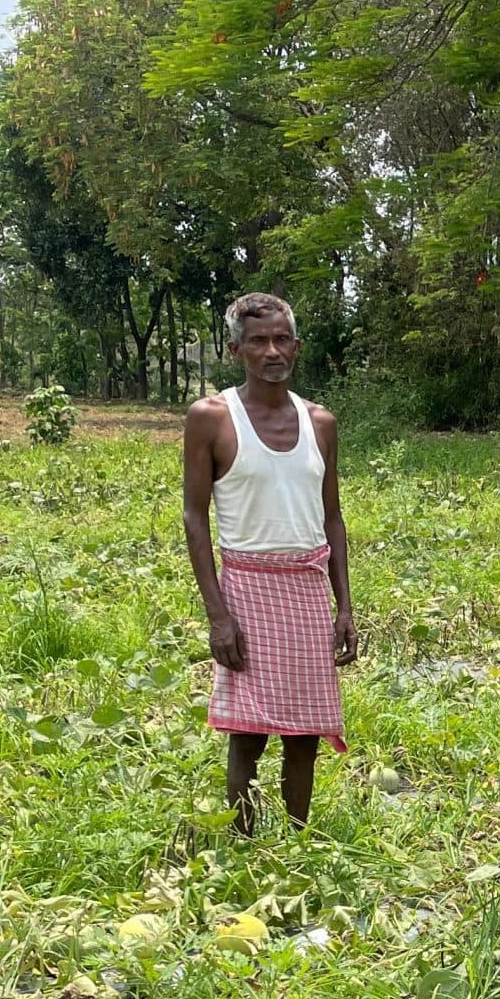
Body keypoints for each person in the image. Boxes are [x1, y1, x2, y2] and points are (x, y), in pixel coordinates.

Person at [183, 292, 357, 832]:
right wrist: (218, 616)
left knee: (305, 732)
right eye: (258, 341)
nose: (272, 351)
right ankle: (243, 840)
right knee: (249, 731)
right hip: (248, 587)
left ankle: (297, 838)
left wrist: (344, 605)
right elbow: (194, 517)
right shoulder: (212, 418)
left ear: (297, 346)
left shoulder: (319, 422)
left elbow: (332, 518)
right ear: (236, 349)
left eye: (282, 339)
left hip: (306, 586)